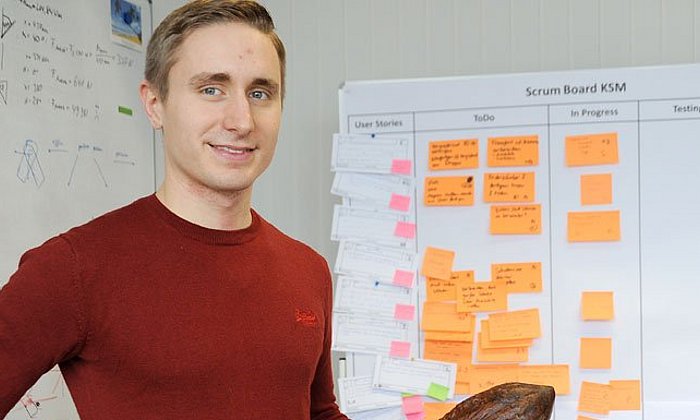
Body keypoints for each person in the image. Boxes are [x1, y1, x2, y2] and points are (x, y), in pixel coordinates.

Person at [0, 1, 347, 418]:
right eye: (211, 89)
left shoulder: (308, 270)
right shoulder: (73, 268)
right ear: (154, 104)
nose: (241, 120)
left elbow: (319, 412)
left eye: (259, 93)